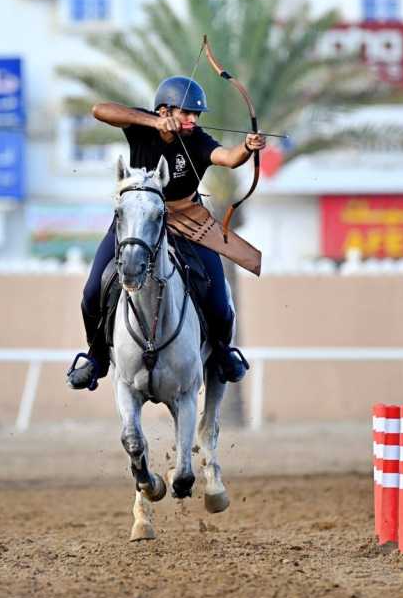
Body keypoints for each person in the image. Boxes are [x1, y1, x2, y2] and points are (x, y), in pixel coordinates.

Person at [67, 75, 266, 391]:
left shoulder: (197, 140)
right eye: (186, 112)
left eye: (196, 114)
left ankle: (224, 354)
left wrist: (246, 147)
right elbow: (99, 109)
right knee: (94, 290)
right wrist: (152, 123)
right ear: (164, 110)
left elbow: (228, 158)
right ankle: (96, 358)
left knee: (218, 297)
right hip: (138, 219)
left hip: (187, 219)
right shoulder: (142, 125)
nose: (192, 120)